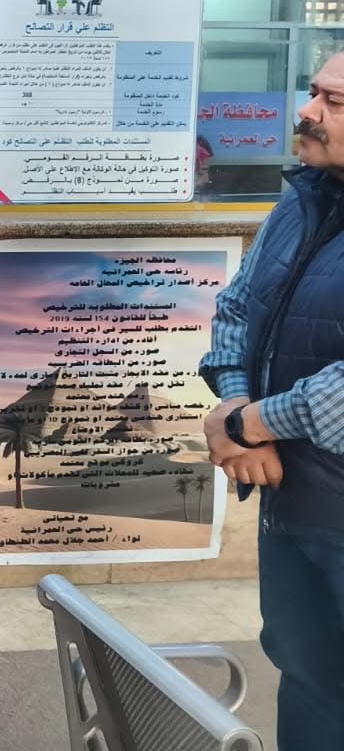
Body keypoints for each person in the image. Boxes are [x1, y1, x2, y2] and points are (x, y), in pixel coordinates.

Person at [198, 49, 344, 751]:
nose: (306, 112)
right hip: (295, 509)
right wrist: (236, 403)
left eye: (333, 102)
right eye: (313, 92)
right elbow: (236, 308)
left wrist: (249, 421)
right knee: (310, 687)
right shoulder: (302, 200)